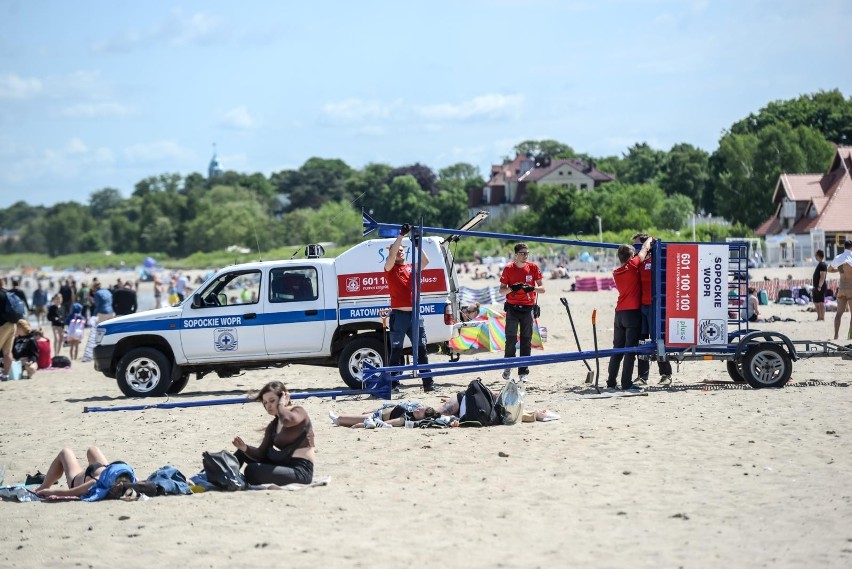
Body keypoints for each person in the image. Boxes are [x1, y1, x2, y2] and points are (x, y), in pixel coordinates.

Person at [384, 223, 436, 392]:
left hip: (415, 315)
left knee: (421, 349)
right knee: (396, 351)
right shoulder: (390, 268)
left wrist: (416, 244)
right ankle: (393, 384)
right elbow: (391, 257)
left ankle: (428, 384)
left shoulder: (410, 267)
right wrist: (401, 236)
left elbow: (426, 260)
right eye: (397, 250)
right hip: (399, 315)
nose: (400, 251)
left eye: (401, 250)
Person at [232, 381, 315, 486]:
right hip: (283, 465)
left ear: (282, 398)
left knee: (252, 470)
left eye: (272, 401)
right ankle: (219, 475)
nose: (268, 406)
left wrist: (281, 404)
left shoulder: (298, 411)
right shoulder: (274, 425)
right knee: (241, 452)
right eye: (265, 402)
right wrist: (244, 448)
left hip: (300, 472)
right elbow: (261, 454)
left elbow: (287, 420)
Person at [607, 238, 652, 391]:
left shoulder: (616, 272)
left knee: (617, 349)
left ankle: (611, 382)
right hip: (632, 313)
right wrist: (650, 239)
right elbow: (644, 250)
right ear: (631, 256)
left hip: (619, 312)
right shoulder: (633, 265)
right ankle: (626, 383)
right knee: (630, 350)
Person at [632, 233, 673, 386]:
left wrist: (650, 241)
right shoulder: (639, 262)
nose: (635, 249)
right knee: (642, 342)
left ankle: (666, 374)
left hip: (656, 307)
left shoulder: (656, 260)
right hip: (642, 306)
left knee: (658, 341)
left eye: (637, 245)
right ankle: (642, 377)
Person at [499, 243, 544, 382]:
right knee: (510, 340)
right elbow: (501, 291)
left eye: (527, 253)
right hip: (512, 308)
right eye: (523, 253)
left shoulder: (533, 267)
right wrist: (513, 288)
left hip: (528, 308)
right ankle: (508, 366)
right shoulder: (508, 269)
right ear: (516, 255)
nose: (526, 256)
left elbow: (542, 288)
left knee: (526, 340)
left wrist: (531, 289)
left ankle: (523, 372)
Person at [33, 446, 133, 499]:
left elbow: (72, 493)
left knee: (65, 452)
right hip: (100, 470)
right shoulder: (128, 475)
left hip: (76, 479)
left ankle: (44, 486)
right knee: (92, 449)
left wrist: (47, 492)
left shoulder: (96, 482)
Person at [328, 402, 440, 429]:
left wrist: (362, 425)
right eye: (420, 408)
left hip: (375, 418)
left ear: (422, 418)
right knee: (361, 414)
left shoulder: (406, 419)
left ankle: (336, 420)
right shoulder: (412, 412)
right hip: (378, 413)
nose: (418, 410)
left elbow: (386, 424)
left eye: (421, 412)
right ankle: (337, 419)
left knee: (342, 418)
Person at [828, 240, 852, 340]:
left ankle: (836, 335)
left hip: (841, 288)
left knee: (839, 314)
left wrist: (838, 270)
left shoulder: (839, 257)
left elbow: (829, 269)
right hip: (851, 288)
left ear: (844, 247)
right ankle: (850, 336)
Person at [0, 277, 16, 381]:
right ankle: (5, 375)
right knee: (7, 352)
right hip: (13, 324)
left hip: (2, 325)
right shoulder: (9, 293)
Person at [812, 250, 828, 321]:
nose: (815, 257)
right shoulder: (820, 264)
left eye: (816, 255)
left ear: (818, 255)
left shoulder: (822, 265)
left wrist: (819, 286)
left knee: (821, 303)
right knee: (816, 302)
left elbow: (822, 276)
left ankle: (822, 317)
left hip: (820, 286)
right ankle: (819, 317)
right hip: (816, 286)